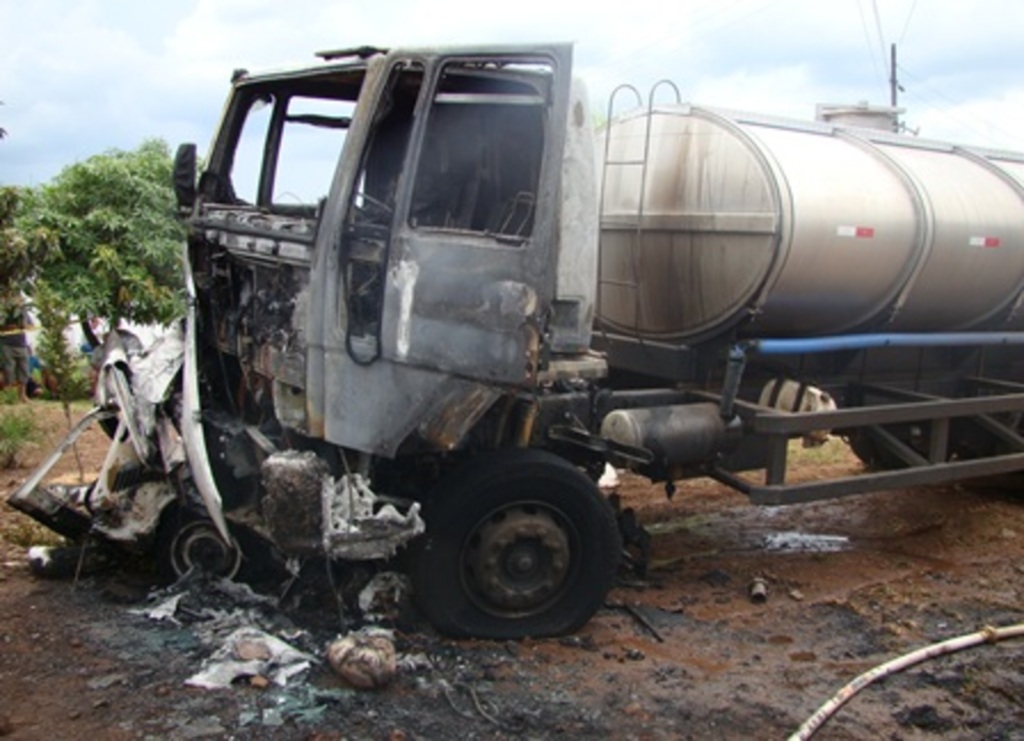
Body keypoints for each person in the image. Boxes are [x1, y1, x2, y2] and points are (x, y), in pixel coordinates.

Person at [1, 298, 31, 402]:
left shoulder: (23, 313)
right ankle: (10, 396)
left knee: (24, 370)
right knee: (9, 370)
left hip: (21, 344)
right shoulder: (3, 312)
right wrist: (8, 327)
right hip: (6, 344)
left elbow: (30, 325)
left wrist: (23, 326)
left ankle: (22, 395)